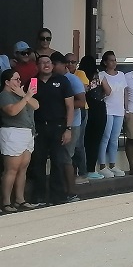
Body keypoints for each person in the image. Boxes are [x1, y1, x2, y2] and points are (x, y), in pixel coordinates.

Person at [31, 54, 74, 205]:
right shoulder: (33, 82)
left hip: (58, 127)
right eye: (42, 62)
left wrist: (68, 129)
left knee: (58, 161)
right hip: (39, 127)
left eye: (48, 62)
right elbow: (28, 105)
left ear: (53, 64)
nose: (45, 65)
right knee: (38, 162)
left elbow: (70, 106)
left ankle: (57, 196)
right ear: (37, 66)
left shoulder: (62, 81)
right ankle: (39, 196)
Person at [0, 69, 39, 213]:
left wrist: (24, 95)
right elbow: (12, 111)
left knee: (23, 168)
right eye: (16, 79)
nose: (19, 82)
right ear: (7, 82)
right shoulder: (4, 95)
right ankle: (5, 202)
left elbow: (36, 105)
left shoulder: (20, 94)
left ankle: (20, 199)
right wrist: (26, 97)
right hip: (12, 132)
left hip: (27, 132)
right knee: (11, 169)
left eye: (19, 79)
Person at [51, 52, 85, 202]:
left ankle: (71, 191)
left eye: (54, 64)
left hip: (72, 124)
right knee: (59, 157)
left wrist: (63, 107)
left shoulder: (73, 80)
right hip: (54, 124)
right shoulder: (49, 79)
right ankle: (60, 190)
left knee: (66, 157)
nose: (51, 67)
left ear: (62, 64)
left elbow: (81, 102)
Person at [97, 51, 127, 178]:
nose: (114, 63)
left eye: (115, 60)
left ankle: (113, 164)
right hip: (107, 109)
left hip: (119, 110)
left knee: (114, 138)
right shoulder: (101, 75)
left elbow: (124, 92)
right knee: (106, 137)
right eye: (111, 60)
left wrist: (126, 108)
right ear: (105, 62)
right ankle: (102, 165)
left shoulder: (121, 75)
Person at [79, 56, 109, 180]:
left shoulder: (79, 75)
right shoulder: (99, 75)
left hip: (84, 109)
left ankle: (81, 169)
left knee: (83, 141)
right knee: (95, 141)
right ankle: (91, 169)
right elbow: (108, 91)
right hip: (99, 109)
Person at [66, 53, 89, 184]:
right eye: (68, 62)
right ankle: (72, 173)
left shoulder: (80, 74)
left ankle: (83, 173)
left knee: (78, 144)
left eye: (73, 62)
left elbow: (83, 89)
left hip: (81, 110)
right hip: (68, 113)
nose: (70, 64)